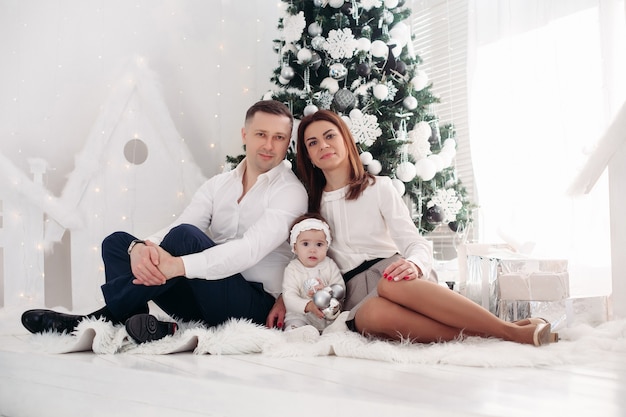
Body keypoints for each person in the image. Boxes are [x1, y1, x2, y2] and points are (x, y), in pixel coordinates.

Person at [21, 100, 308, 343]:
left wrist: (178, 266)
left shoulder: (290, 192)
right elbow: (183, 223)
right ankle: (143, 325)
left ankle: (97, 320)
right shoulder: (218, 185)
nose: (269, 145)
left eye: (279, 137)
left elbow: (249, 250)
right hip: (202, 296)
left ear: (288, 143)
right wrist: (143, 248)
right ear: (245, 134)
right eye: (261, 134)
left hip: (252, 306)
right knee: (119, 243)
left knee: (185, 238)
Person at [295, 109, 557, 346]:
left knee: (390, 284)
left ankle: (509, 332)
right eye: (313, 143)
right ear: (308, 156)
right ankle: (500, 332)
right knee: (370, 315)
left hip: (395, 276)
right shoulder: (310, 205)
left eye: (330, 136)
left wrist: (415, 264)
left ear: (345, 140)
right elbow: (298, 260)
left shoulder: (379, 187)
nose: (323, 145)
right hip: (354, 293)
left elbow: (414, 243)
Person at [282, 213, 345, 333]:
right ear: (295, 247)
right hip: (301, 316)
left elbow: (340, 289)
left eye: (319, 244)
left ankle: (331, 333)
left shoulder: (329, 265)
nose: (313, 249)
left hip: (327, 316)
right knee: (295, 324)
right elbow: (289, 297)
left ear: (327, 246)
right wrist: (309, 305)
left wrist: (326, 291)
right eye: (305, 244)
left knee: (343, 318)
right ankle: (299, 333)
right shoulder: (292, 269)